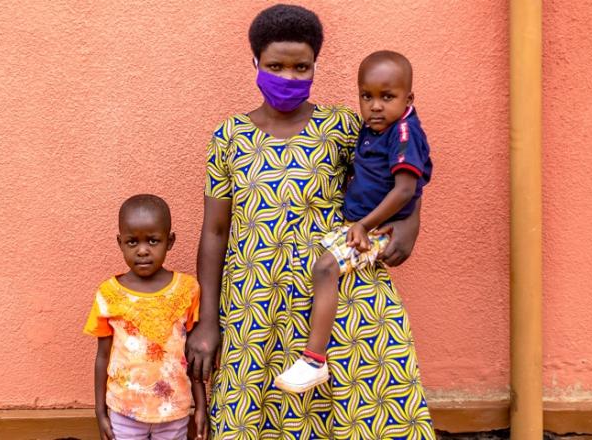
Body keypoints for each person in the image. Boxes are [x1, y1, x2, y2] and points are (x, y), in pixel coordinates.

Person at [186, 4, 436, 438]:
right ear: (255, 64)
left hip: (338, 296)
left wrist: (411, 224)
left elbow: (402, 172)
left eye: (301, 66)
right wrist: (208, 319)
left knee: (353, 414)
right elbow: (214, 231)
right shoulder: (229, 137)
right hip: (255, 304)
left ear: (315, 66)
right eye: (275, 66)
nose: (288, 76)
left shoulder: (342, 127)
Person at [276, 50, 433, 393]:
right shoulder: (376, 127)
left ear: (408, 98)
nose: (375, 106)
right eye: (367, 96)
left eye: (387, 97)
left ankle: (314, 359)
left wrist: (363, 225)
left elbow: (406, 189)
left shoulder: (404, 133)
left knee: (324, 269)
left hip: (378, 229)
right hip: (364, 222)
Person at [85, 194, 207, 440]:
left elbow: (193, 357)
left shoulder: (187, 290)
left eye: (153, 241)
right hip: (124, 410)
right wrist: (100, 411)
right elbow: (102, 357)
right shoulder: (109, 294)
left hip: (174, 410)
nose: (142, 251)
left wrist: (201, 405)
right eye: (132, 242)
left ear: (169, 241)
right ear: (120, 242)